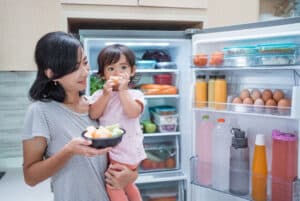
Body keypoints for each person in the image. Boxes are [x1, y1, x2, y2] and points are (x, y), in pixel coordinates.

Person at [22, 32, 138, 201]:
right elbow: (30, 177)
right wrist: (69, 151)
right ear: (51, 73)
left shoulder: (97, 105)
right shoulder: (40, 112)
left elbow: (126, 152)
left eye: (85, 63)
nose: (84, 72)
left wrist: (131, 175)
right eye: (74, 68)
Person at [89, 44, 146, 201]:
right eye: (111, 69)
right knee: (127, 184)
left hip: (126, 150)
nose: (118, 73)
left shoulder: (135, 94)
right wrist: (106, 94)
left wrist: (122, 90)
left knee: (113, 184)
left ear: (132, 71)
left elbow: (132, 112)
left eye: (123, 67)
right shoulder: (99, 94)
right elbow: (94, 113)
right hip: (112, 148)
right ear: (102, 75)